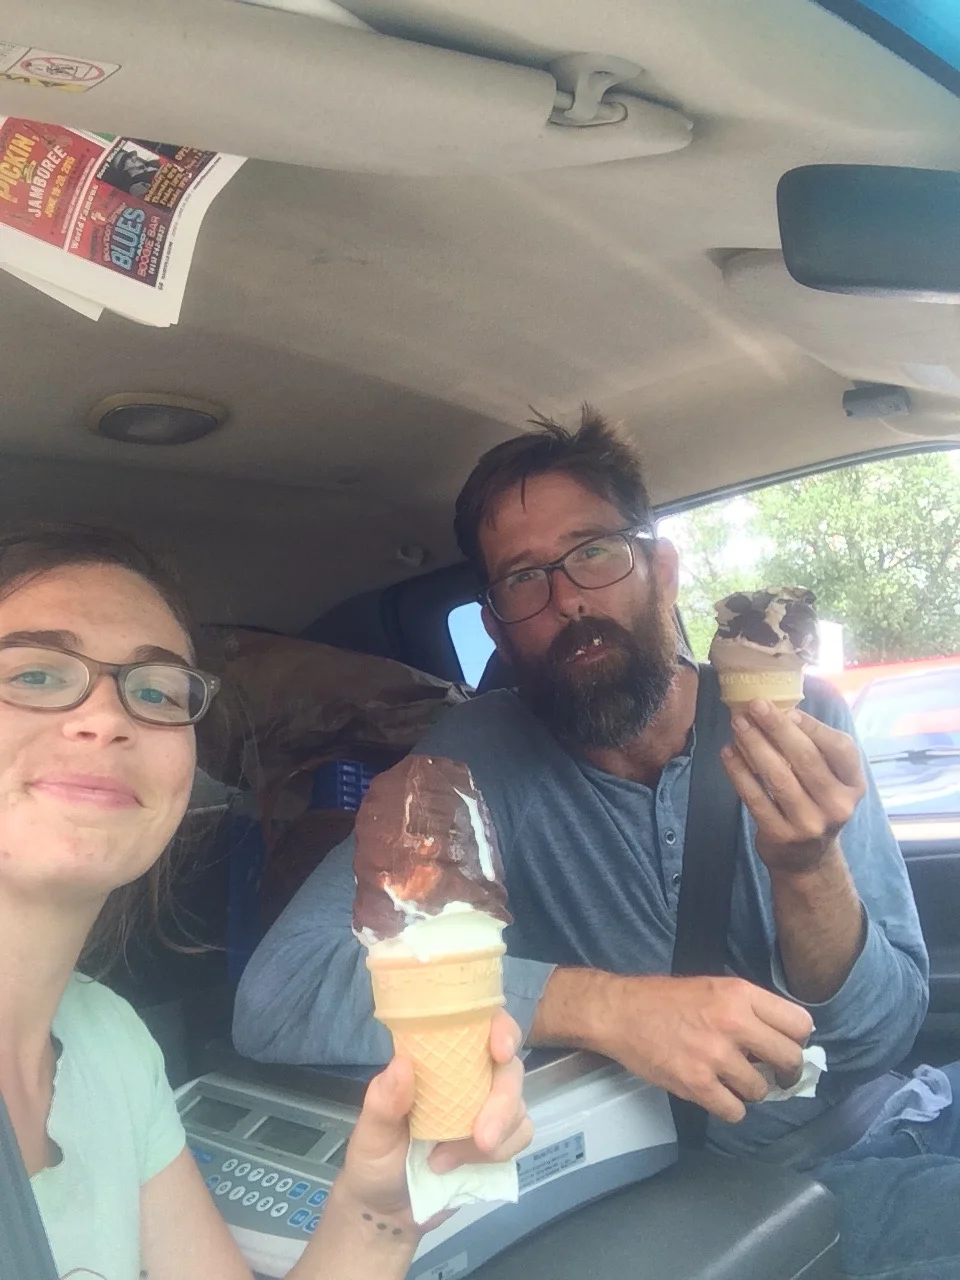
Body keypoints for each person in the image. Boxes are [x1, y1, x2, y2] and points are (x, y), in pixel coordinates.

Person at [235, 408, 960, 1278]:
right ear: (498, 626)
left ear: (660, 570)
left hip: (866, 1129)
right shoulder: (474, 762)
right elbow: (276, 994)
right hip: (677, 1190)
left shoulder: (805, 724)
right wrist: (611, 1011)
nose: (569, 598)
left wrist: (807, 867)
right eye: (522, 578)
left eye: (594, 552)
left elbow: (880, 1038)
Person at [0, 524, 532, 1280]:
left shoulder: (112, 1048)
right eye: (36, 675)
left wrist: (382, 1212)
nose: (107, 718)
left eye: (155, 691)